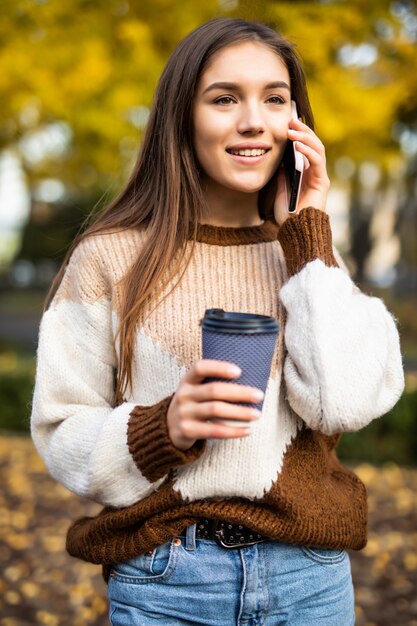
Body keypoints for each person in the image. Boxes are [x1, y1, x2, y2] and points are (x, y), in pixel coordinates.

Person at [31, 17, 404, 626]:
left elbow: (342, 405)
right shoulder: (110, 257)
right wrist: (164, 429)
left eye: (275, 98)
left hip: (310, 581)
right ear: (183, 117)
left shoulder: (311, 256)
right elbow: (61, 429)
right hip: (166, 580)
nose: (254, 120)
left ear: (296, 122)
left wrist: (308, 237)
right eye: (224, 98)